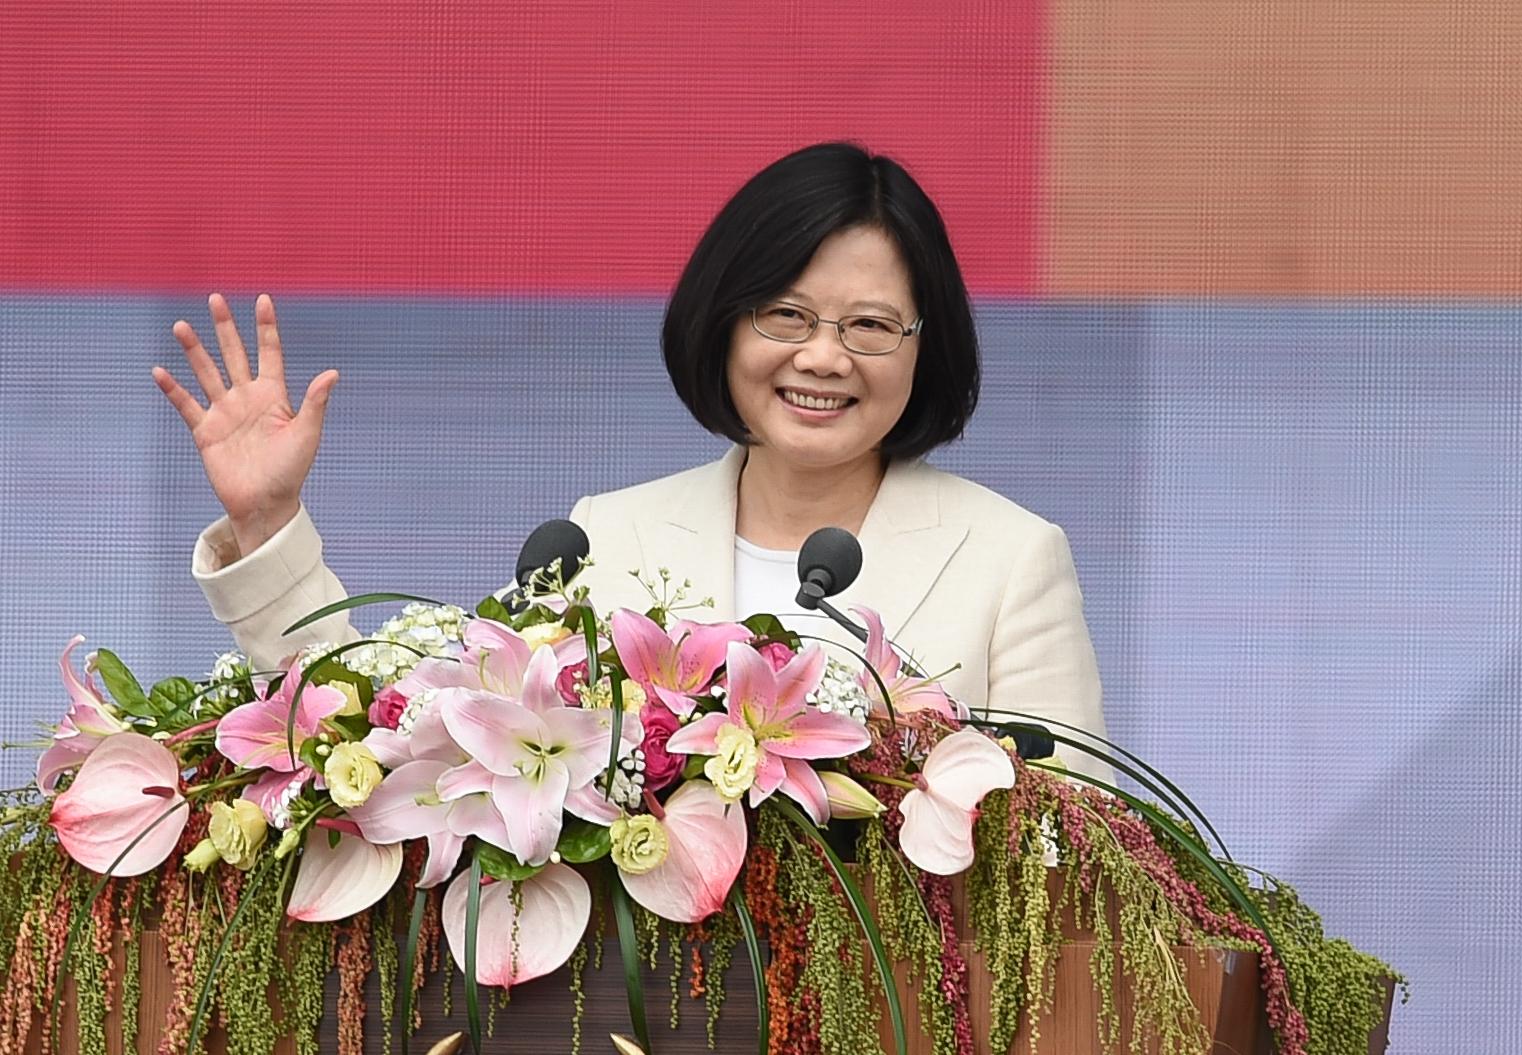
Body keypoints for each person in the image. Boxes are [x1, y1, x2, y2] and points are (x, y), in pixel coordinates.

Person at [153, 141, 1110, 778]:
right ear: (723, 322)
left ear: (923, 347)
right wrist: (269, 523)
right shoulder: (607, 536)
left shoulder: (1008, 558)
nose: (823, 356)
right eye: (785, 315)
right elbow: (416, 746)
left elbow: (1092, 852)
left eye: (869, 325)